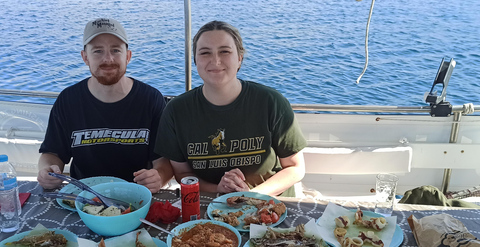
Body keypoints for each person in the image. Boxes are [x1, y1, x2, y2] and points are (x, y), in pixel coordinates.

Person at [156, 20, 306, 196]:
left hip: (270, 203)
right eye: (205, 53)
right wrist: (218, 191)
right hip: (213, 203)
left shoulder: (272, 103)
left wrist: (251, 196)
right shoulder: (176, 111)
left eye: (224, 51)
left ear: (239, 58)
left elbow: (296, 168)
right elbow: (183, 174)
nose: (215, 60)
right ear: (195, 60)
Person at [37, 18, 172, 193]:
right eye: (98, 51)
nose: (108, 59)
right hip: (82, 196)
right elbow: (52, 153)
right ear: (85, 57)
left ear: (128, 56)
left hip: (136, 196)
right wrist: (47, 171)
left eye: (116, 50)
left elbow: (163, 160)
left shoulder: (151, 99)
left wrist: (158, 177)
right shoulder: (68, 100)